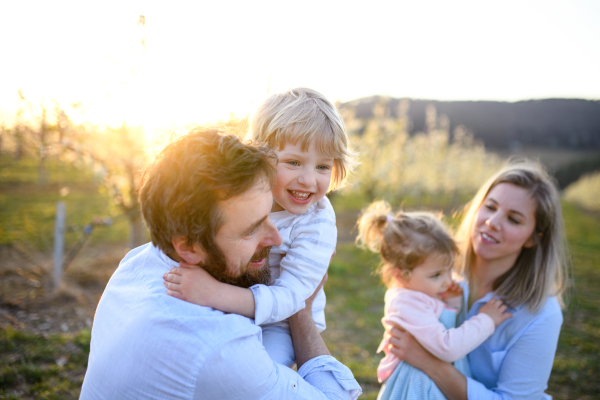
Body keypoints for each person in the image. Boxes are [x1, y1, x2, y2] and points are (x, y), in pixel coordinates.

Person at [80, 127, 361, 400]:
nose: (277, 240)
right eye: (251, 229)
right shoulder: (220, 351)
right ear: (189, 247)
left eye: (270, 217)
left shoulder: (136, 264)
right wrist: (304, 308)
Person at [163, 87, 355, 366]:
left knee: (260, 370)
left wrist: (214, 294)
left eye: (323, 167)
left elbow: (290, 298)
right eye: (294, 162)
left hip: (281, 325)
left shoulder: (316, 224)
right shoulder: (247, 197)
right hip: (239, 293)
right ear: (261, 156)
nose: (308, 180)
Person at [387, 161, 569, 400]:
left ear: (533, 239)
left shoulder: (541, 313)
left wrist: (429, 362)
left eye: (513, 219)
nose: (492, 222)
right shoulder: (440, 273)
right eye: (490, 207)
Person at [355, 201, 512, 400]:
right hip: (420, 387)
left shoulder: (419, 294)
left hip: (433, 382)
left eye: (449, 269)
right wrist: (486, 320)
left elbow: (439, 328)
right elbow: (447, 347)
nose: (448, 280)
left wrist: (451, 304)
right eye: (436, 275)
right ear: (401, 276)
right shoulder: (406, 304)